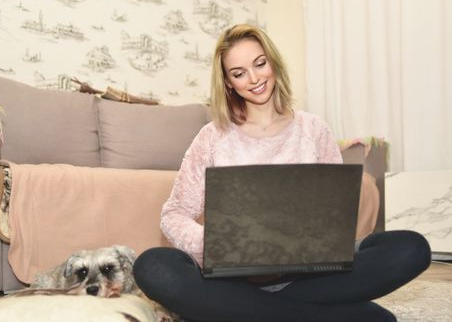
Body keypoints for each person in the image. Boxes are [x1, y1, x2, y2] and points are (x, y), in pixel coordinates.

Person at [133, 24, 431, 322]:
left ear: (273, 61)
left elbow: (335, 212)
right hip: (233, 279)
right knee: (153, 267)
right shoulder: (212, 136)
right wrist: (218, 246)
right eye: (238, 73)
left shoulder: (313, 129)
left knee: (412, 248)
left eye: (259, 64)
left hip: (307, 277)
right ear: (228, 83)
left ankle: (249, 312)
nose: (254, 79)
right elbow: (174, 214)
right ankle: (317, 315)